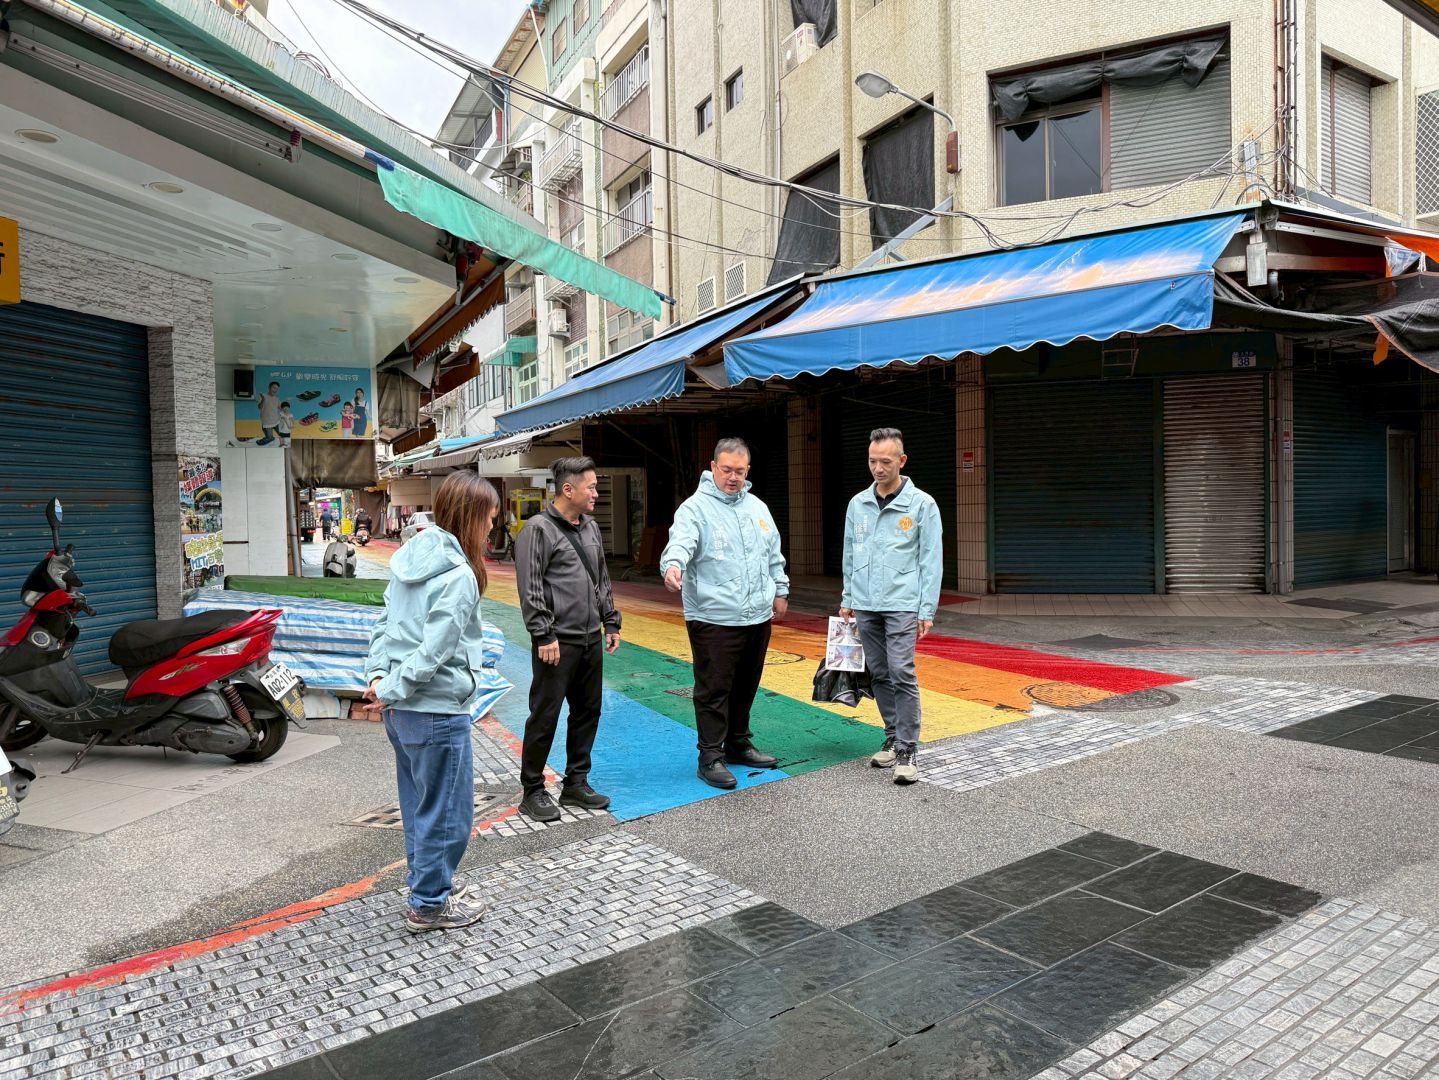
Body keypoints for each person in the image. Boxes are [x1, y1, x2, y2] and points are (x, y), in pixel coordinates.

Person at [363, 471, 499, 932]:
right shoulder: (459, 575)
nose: (492, 530)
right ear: (473, 517)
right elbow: (435, 651)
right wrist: (393, 689)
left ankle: (427, 883)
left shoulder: (407, 557)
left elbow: (384, 624)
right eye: (490, 519)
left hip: (403, 713)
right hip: (437, 711)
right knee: (447, 814)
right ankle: (430, 904)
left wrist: (381, 680)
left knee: (420, 804)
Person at [661, 438, 789, 790]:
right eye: (727, 470)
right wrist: (673, 567)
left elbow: (772, 553)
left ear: (748, 471)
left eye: (740, 471)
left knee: (746, 684)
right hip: (713, 616)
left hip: (756, 615)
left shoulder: (758, 507)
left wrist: (780, 589)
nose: (733, 477)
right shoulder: (695, 509)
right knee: (714, 688)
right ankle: (710, 756)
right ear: (713, 466)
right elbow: (680, 544)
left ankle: (737, 743)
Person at [514, 457, 621, 822]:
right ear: (568, 490)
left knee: (588, 711)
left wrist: (611, 620)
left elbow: (601, 577)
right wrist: (543, 634)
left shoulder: (590, 527)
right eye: (590, 486)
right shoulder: (538, 530)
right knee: (545, 714)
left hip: (591, 638)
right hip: (556, 643)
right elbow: (530, 588)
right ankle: (532, 789)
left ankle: (576, 782)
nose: (596, 492)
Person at [840, 427, 942, 785]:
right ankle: (892, 736)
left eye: (885, 461)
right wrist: (848, 600)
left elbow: (931, 560)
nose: (878, 468)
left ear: (902, 461)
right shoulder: (858, 504)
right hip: (866, 604)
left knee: (902, 671)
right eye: (872, 461)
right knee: (880, 674)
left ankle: (908, 749)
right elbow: (850, 555)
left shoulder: (922, 505)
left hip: (902, 604)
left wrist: (926, 609)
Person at [255, 381, 282, 446]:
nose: (275, 390)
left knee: (283, 434)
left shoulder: (277, 399)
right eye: (274, 388)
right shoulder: (263, 396)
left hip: (276, 421)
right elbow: (259, 407)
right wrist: (263, 400)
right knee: (270, 438)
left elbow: (280, 408)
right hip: (267, 423)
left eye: (277, 389)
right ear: (269, 387)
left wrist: (286, 402)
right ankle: (265, 439)